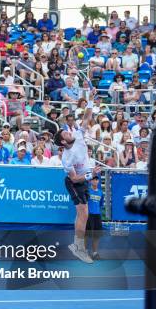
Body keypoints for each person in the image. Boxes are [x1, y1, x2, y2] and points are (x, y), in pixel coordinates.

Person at [54, 101, 101, 264]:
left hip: (84, 179)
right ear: (63, 143)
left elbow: (87, 118)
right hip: (74, 183)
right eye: (65, 134)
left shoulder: (78, 135)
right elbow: (74, 179)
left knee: (82, 214)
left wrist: (90, 99)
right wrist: (90, 175)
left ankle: (76, 245)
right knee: (83, 214)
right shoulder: (67, 158)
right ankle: (80, 249)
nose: (68, 132)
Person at [86, 174, 104, 260]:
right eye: (93, 179)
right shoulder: (87, 191)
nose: (95, 181)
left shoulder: (101, 192)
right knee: (86, 234)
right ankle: (84, 253)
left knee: (97, 235)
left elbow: (101, 204)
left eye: (97, 179)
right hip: (89, 215)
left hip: (97, 215)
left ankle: (94, 253)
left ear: (98, 181)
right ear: (90, 181)